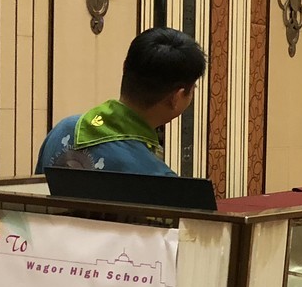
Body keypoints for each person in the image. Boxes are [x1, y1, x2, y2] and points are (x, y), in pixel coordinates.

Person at [37, 26, 206, 175]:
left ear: (125, 67)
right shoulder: (158, 178)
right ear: (176, 97)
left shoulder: (62, 130)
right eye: (193, 89)